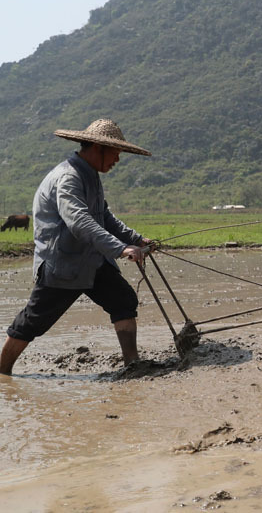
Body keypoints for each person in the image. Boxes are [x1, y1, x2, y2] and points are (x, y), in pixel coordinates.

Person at [1, 119, 154, 376]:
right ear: (97, 147)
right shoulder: (68, 178)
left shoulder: (91, 176)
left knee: (123, 300)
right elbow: (79, 222)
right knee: (32, 323)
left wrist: (137, 239)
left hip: (92, 263)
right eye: (115, 153)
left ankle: (133, 364)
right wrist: (121, 249)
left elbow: (103, 217)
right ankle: (2, 372)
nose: (117, 159)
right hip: (63, 266)